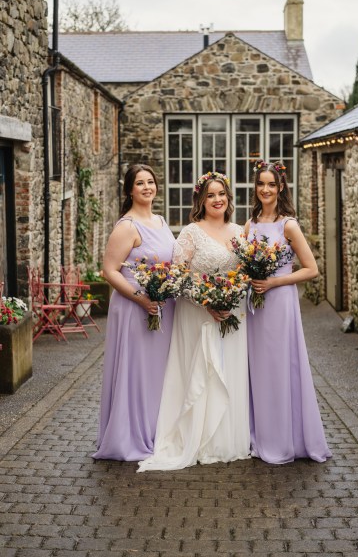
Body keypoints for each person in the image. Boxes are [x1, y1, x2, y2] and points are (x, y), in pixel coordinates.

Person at [137, 172, 250, 472]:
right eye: (210, 195)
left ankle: (226, 439)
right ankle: (198, 439)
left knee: (228, 372)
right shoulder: (191, 232)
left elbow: (245, 274)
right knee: (202, 375)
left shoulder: (240, 231)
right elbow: (178, 275)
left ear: (229, 197)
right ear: (201, 199)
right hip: (197, 313)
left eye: (221, 194)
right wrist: (207, 302)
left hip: (231, 314)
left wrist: (229, 298)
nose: (217, 200)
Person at [246, 161, 332, 464]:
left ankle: (285, 439)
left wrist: (274, 282)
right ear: (255, 187)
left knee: (280, 366)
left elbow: (312, 269)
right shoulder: (252, 223)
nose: (266, 190)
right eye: (261, 184)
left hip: (280, 301)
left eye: (272, 184)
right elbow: (242, 263)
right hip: (255, 304)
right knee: (257, 367)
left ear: (281, 187)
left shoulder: (288, 225)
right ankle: (260, 434)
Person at [93, 164, 175, 461]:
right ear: (129, 190)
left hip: (162, 306)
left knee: (157, 373)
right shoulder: (126, 226)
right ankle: (128, 435)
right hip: (133, 307)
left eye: (150, 182)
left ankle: (154, 429)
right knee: (135, 371)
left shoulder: (161, 221)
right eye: (139, 183)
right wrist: (141, 298)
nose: (146, 187)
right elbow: (109, 271)